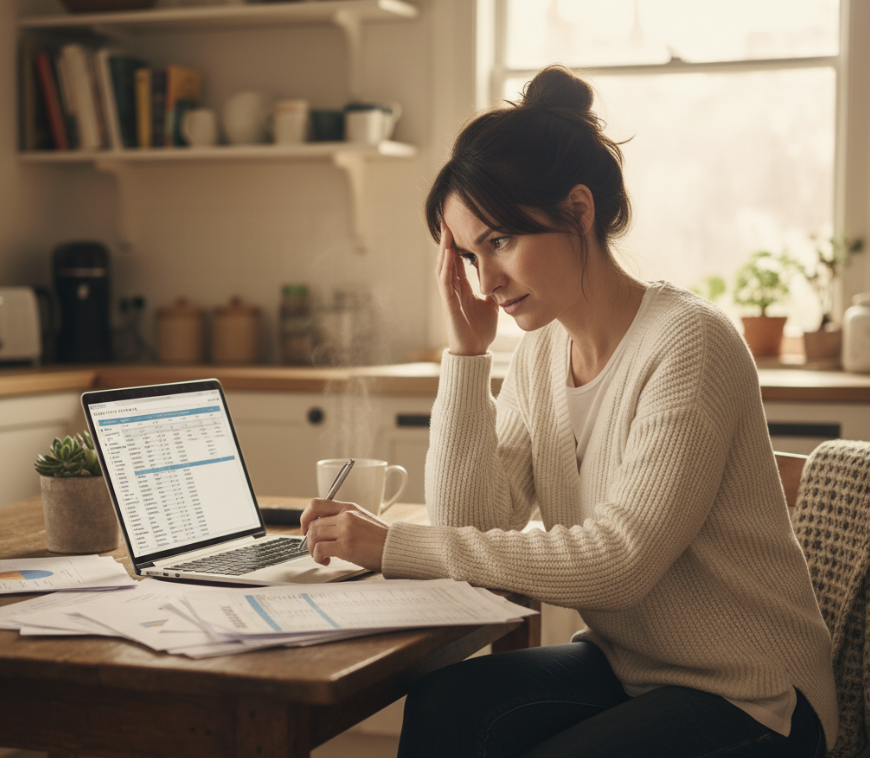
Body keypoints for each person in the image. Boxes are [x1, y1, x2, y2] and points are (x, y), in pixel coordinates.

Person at [300, 64, 837, 757]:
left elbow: (618, 563)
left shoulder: (690, 342)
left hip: (756, 697)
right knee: (446, 704)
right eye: (468, 255)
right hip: (633, 669)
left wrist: (393, 545)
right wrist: (466, 358)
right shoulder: (540, 353)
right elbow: (472, 528)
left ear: (577, 212)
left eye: (500, 241)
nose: (485, 280)